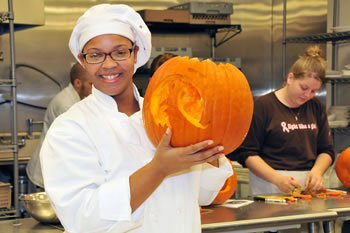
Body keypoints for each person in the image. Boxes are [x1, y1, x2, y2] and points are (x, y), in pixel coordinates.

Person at [40, 4, 233, 233]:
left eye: (120, 52)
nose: (109, 64)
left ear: (136, 54)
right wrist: (159, 169)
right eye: (95, 55)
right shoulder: (70, 129)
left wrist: (209, 149)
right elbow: (84, 220)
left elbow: (204, 195)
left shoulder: (172, 117)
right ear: (83, 61)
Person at [228, 45, 335, 196]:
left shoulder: (316, 106)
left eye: (313, 91)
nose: (308, 95)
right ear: (290, 78)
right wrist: (277, 179)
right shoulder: (263, 106)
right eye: (304, 88)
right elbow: (247, 153)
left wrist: (317, 171)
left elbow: (326, 150)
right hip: (269, 185)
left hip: (307, 187)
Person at [26, 63, 92, 189]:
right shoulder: (66, 104)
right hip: (46, 175)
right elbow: (78, 142)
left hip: (56, 173)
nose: (94, 90)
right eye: (91, 84)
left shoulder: (78, 100)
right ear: (78, 83)